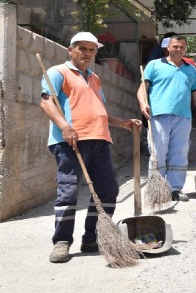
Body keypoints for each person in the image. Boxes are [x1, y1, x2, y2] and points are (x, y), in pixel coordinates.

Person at [40, 32, 142, 263]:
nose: (87, 53)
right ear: (70, 49)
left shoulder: (94, 78)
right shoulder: (58, 73)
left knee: (108, 190)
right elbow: (46, 102)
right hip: (70, 141)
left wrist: (123, 123)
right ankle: (62, 242)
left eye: (91, 50)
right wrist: (65, 127)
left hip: (99, 139)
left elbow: (101, 111)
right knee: (69, 191)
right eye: (82, 48)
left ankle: (93, 238)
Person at [138, 35, 196, 202]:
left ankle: (175, 189)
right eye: (176, 46)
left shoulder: (190, 69)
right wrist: (142, 103)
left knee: (180, 153)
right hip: (159, 115)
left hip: (183, 117)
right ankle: (158, 189)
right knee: (158, 152)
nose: (179, 49)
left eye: (182, 47)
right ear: (168, 47)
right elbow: (142, 89)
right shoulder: (154, 65)